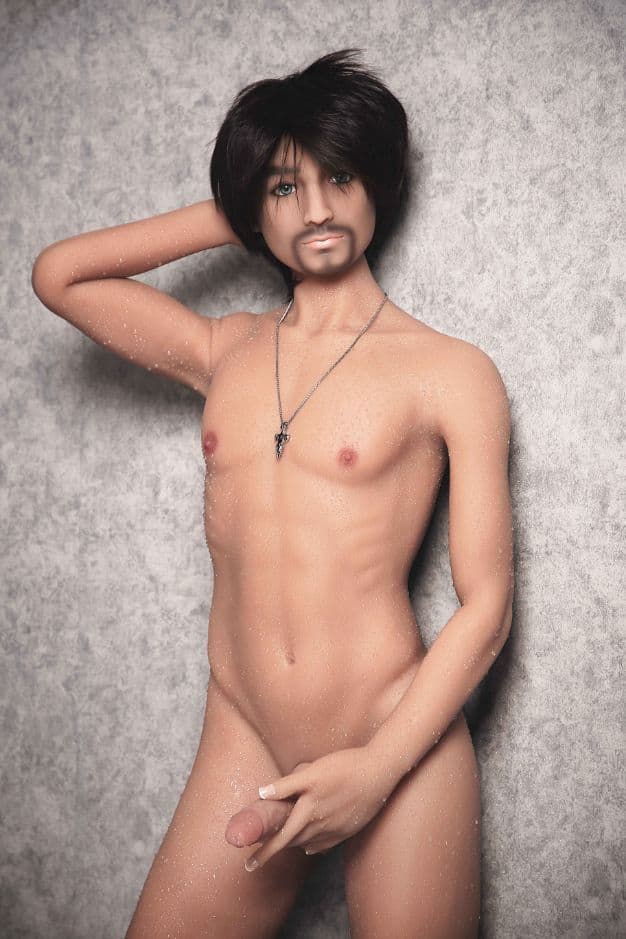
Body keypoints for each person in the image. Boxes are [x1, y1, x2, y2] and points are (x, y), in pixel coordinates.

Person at [31, 48, 514, 939]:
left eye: (339, 177)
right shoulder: (226, 351)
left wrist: (377, 769)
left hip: (394, 730)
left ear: (378, 184)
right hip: (245, 728)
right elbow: (60, 276)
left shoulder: (451, 371)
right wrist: (246, 199)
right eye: (289, 187)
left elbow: (487, 606)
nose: (319, 208)